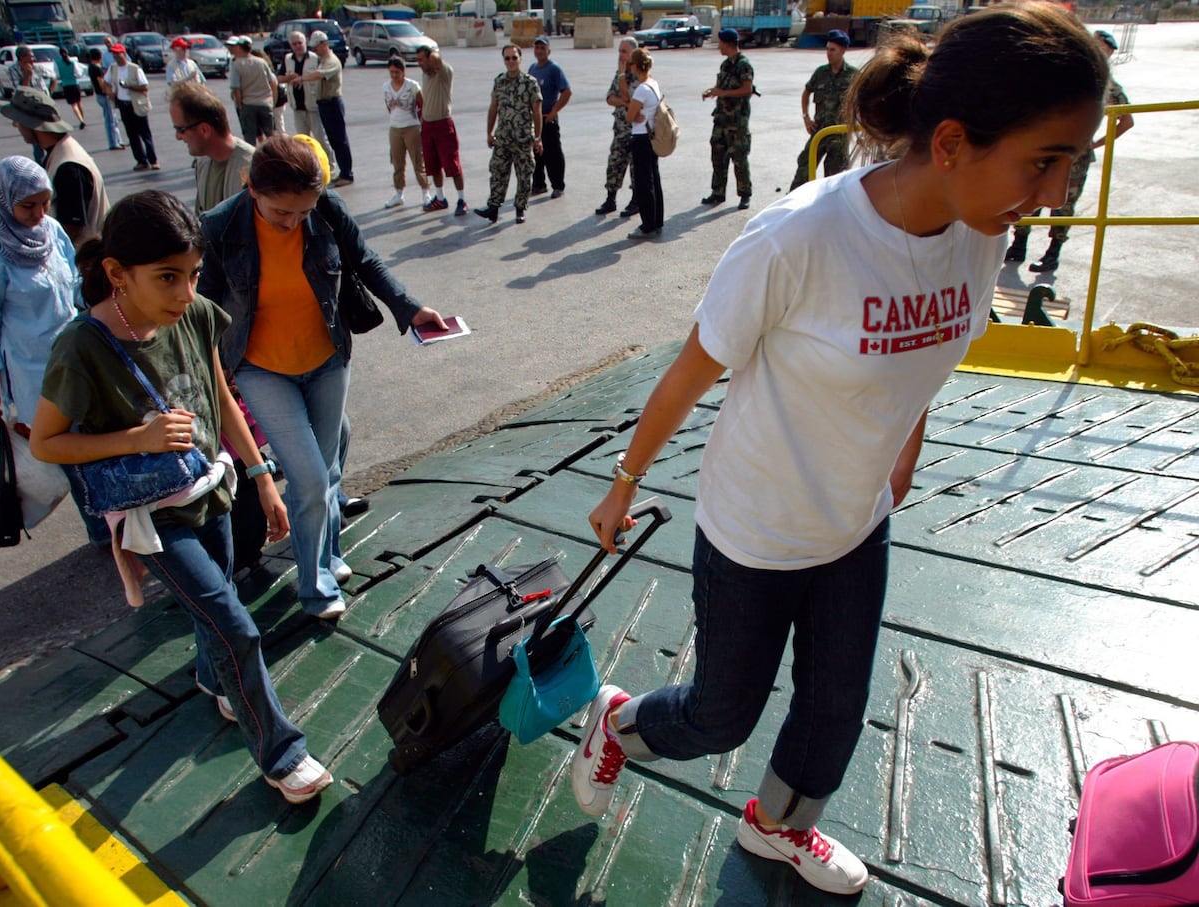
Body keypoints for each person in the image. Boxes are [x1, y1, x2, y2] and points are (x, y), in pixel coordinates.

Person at [573, 3, 1108, 895]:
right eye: (1044, 160)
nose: (1055, 192)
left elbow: (926, 352)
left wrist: (903, 447)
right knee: (720, 713)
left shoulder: (984, 232)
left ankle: (777, 828)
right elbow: (690, 370)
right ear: (948, 142)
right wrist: (624, 481)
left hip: (857, 520)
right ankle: (619, 724)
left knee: (832, 719)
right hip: (757, 526)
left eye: (1073, 162)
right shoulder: (798, 239)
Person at [29, 189, 334, 806]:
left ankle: (211, 677)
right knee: (234, 625)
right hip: (152, 513)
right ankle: (283, 754)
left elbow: (218, 395)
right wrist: (133, 438)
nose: (185, 292)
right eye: (167, 278)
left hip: (211, 485)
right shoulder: (82, 347)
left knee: (218, 603)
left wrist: (260, 475)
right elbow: (45, 443)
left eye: (193, 275)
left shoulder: (194, 315)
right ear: (117, 274)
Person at [197, 135, 446, 619]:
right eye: (280, 213)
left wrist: (410, 307)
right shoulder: (220, 226)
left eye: (302, 212)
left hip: (328, 359)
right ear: (252, 189)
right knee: (309, 477)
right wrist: (211, 371)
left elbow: (365, 261)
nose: (293, 222)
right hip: (260, 368)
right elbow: (203, 306)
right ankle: (316, 590)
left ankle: (328, 555)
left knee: (328, 468)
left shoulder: (326, 209)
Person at [0, 156, 81, 430]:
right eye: (28, 205)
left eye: (45, 203)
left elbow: (76, 284)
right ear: (4, 200)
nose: (39, 213)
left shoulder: (51, 231)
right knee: (51, 452)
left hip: (75, 360)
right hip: (33, 372)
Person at [1004, 27, 1134, 273]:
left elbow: (1126, 121)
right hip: (1045, 152)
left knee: (1063, 205)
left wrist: (1097, 143)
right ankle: (1018, 245)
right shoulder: (1063, 75)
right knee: (1030, 196)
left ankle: (1052, 253)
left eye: (1101, 48)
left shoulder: (1107, 86)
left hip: (1076, 157)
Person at [0, 87, 109, 248]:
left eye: (19, 121)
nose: (16, 126)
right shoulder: (58, 152)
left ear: (32, 125)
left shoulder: (69, 167)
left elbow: (71, 228)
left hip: (83, 260)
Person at [474, 44, 542, 225]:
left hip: (523, 138)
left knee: (524, 174)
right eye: (507, 58)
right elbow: (493, 108)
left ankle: (520, 209)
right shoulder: (499, 81)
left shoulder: (529, 83)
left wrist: (538, 138)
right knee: (497, 171)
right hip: (503, 137)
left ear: (520, 59)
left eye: (514, 58)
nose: (511, 61)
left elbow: (537, 111)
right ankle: (493, 208)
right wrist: (489, 132)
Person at [170, 81, 255, 214]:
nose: (178, 137)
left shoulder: (253, 166)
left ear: (204, 130)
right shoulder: (203, 163)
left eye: (181, 129)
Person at [789, 29, 856, 191]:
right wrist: (806, 117)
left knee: (834, 181)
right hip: (819, 132)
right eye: (827, 49)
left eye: (832, 50)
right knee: (803, 168)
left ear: (843, 51)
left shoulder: (853, 75)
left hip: (839, 135)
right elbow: (806, 92)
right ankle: (793, 205)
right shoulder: (821, 73)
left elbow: (862, 102)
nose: (828, 53)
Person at [701, 28, 754, 210]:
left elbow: (747, 89)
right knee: (717, 155)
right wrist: (712, 91)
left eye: (721, 43)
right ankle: (718, 192)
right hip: (721, 119)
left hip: (737, 121)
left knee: (738, 158)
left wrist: (723, 93)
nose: (719, 46)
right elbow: (721, 86)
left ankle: (744, 194)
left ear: (728, 43)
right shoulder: (725, 65)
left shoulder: (743, 65)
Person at [292, 31, 353, 186]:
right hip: (324, 104)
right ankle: (343, 172)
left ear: (324, 44)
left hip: (332, 103)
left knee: (340, 140)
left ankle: (347, 173)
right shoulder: (322, 60)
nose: (314, 50)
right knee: (333, 140)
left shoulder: (331, 60)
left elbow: (319, 75)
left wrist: (302, 78)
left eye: (316, 46)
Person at [414, 45, 466, 215]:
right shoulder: (425, 74)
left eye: (422, 60)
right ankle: (440, 198)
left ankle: (462, 199)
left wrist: (433, 55)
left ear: (430, 59)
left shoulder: (444, 72)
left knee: (452, 165)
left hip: (443, 124)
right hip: (428, 125)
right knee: (433, 165)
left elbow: (437, 58)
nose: (419, 63)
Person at [279, 31, 338, 180]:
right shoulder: (288, 59)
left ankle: (330, 166)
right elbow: (278, 78)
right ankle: (309, 168)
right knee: (303, 141)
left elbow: (321, 75)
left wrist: (303, 79)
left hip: (313, 105)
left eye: (300, 43)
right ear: (291, 45)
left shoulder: (314, 58)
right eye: (294, 44)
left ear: (305, 43)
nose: (298, 46)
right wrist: (289, 78)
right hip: (297, 106)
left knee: (320, 138)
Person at [596, 36, 638, 218]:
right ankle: (610, 199)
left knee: (636, 168)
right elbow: (609, 98)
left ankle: (636, 200)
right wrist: (623, 102)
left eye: (624, 51)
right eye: (619, 51)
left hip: (637, 130)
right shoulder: (619, 72)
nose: (620, 55)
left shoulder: (639, 74)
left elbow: (630, 99)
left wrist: (623, 101)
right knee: (614, 163)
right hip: (620, 129)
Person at [383, 56, 432, 209]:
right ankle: (399, 194)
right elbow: (388, 107)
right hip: (395, 128)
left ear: (403, 71)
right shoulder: (386, 86)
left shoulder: (412, 86)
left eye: (397, 72)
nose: (394, 75)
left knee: (418, 161)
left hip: (412, 127)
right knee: (397, 162)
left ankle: (426, 192)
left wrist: (422, 124)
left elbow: (423, 104)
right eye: (391, 72)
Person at [625, 47, 663, 239]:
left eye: (630, 63)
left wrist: (633, 114)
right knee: (654, 179)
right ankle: (657, 220)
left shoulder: (641, 89)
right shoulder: (653, 84)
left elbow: (630, 116)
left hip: (641, 137)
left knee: (643, 183)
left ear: (636, 66)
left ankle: (647, 224)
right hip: (651, 136)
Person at [527, 36, 571, 200]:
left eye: (542, 48)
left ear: (548, 51)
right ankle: (539, 184)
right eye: (537, 47)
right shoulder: (532, 68)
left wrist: (554, 111)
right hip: (534, 119)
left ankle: (558, 185)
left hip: (548, 118)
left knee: (553, 154)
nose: (539, 51)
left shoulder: (554, 69)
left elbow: (566, 92)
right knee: (536, 153)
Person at [106, 43, 159, 171]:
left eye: (118, 53)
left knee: (145, 134)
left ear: (124, 54)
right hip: (123, 105)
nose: (115, 56)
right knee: (132, 135)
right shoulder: (113, 68)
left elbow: (144, 87)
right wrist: (110, 93)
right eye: (113, 54)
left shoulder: (134, 69)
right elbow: (106, 82)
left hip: (137, 104)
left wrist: (128, 86)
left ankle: (153, 160)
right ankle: (141, 160)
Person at [226, 36, 277, 146]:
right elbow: (272, 82)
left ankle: (253, 160)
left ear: (239, 47)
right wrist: (273, 99)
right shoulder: (261, 62)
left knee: (250, 138)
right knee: (270, 135)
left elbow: (236, 88)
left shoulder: (237, 64)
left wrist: (240, 105)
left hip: (248, 104)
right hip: (265, 102)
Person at [7, 45, 52, 165]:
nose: (33, 60)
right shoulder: (13, 70)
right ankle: (41, 166)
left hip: (43, 107)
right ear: (21, 58)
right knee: (37, 141)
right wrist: (27, 75)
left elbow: (52, 77)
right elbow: (21, 91)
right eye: (30, 57)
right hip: (30, 109)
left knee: (51, 136)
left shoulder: (37, 68)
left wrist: (49, 94)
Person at [89, 48, 125, 151]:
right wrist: (109, 93)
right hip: (103, 96)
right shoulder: (97, 68)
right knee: (110, 120)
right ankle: (113, 143)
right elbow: (101, 83)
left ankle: (118, 140)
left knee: (113, 119)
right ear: (99, 57)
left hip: (99, 95)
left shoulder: (91, 67)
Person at [56, 46, 86, 129]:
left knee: (74, 105)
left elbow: (57, 75)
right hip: (75, 84)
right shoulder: (73, 62)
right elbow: (78, 73)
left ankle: (81, 120)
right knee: (79, 102)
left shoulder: (57, 62)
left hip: (66, 85)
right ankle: (83, 119)